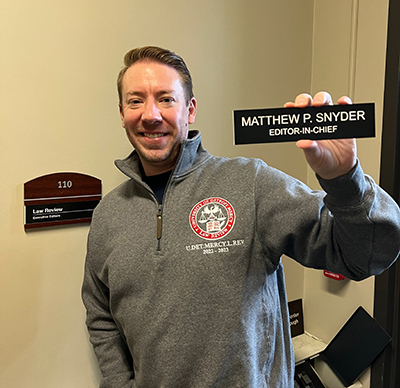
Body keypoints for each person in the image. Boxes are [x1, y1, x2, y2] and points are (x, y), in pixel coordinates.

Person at [82, 46, 400, 388]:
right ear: (121, 112)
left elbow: (366, 256)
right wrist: (118, 381)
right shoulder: (109, 215)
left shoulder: (250, 183)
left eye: (165, 99)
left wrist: (345, 181)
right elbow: (101, 313)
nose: (150, 114)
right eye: (135, 101)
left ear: (190, 110)